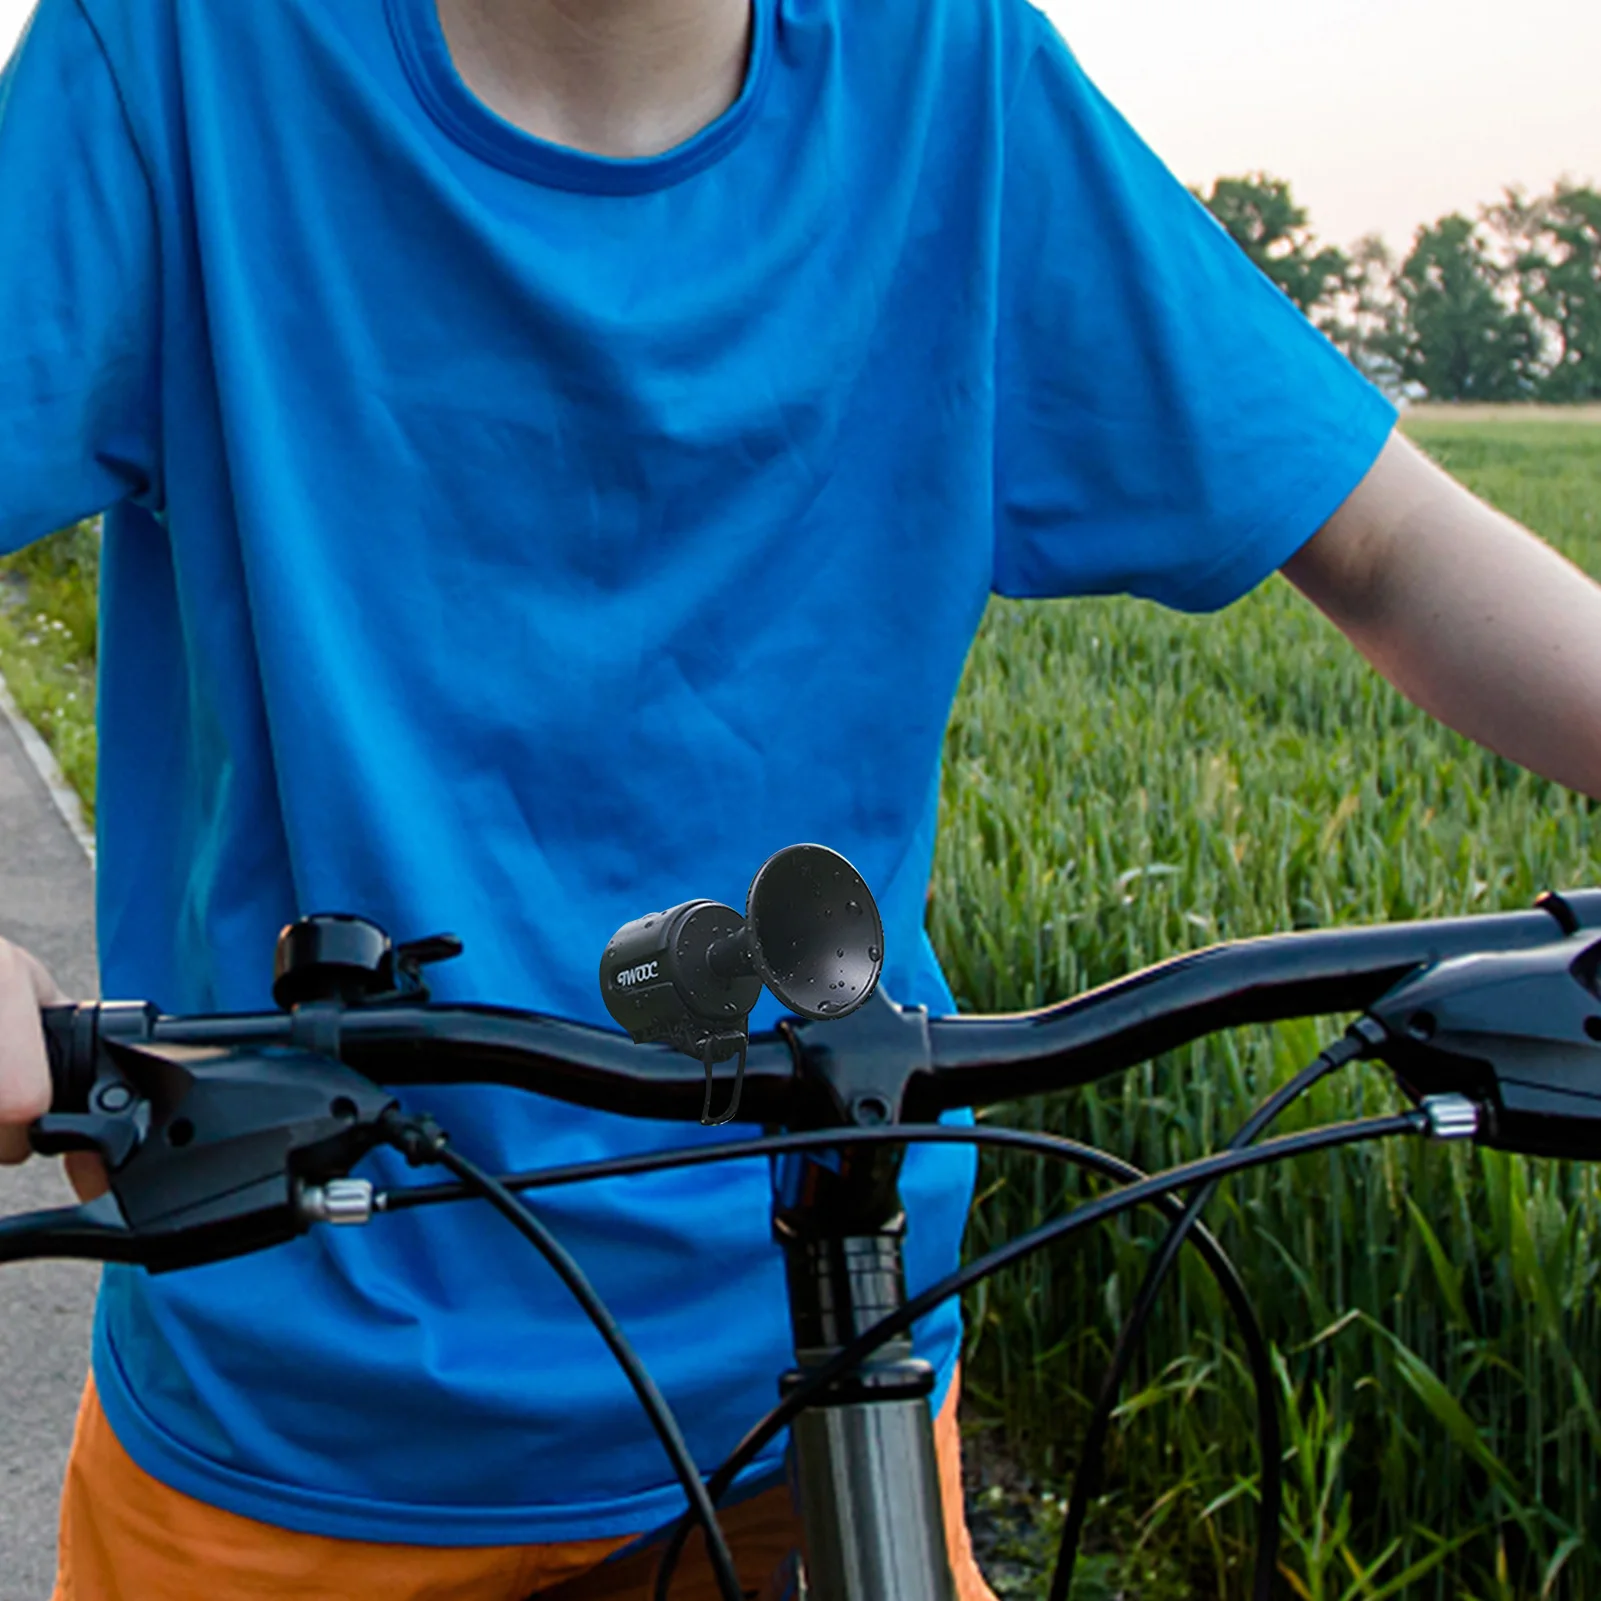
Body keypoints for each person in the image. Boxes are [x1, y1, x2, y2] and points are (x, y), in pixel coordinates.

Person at [0, 0, 1597, 1596]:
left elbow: (1383, 542)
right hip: (311, 1410)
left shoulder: (953, 78)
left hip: (842, 1352)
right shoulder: (178, 55)